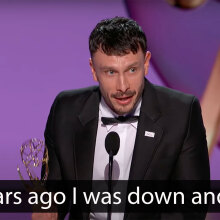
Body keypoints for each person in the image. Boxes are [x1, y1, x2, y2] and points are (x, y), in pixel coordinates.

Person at [33, 16, 210, 220]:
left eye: (132, 70)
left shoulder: (181, 113)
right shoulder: (66, 110)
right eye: (110, 72)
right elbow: (56, 190)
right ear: (93, 70)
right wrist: (48, 210)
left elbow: (192, 206)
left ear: (146, 63)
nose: (123, 86)